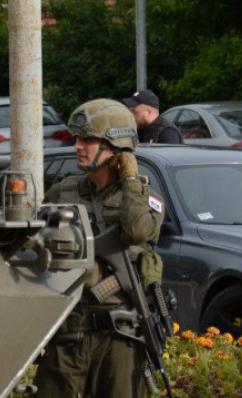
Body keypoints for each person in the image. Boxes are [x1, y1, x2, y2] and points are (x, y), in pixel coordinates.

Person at [33, 98, 165, 398]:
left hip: (119, 332)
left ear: (115, 146)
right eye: (78, 138)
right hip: (70, 326)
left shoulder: (144, 197)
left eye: (89, 139)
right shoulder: (63, 191)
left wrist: (130, 178)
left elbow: (139, 232)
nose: (79, 146)